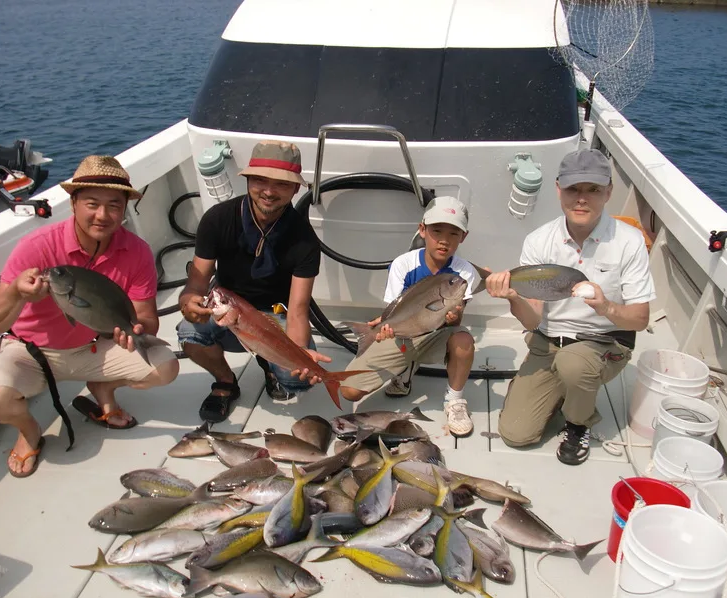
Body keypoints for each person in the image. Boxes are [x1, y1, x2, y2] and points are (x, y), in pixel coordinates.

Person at [0, 155, 179, 477]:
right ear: (73, 203)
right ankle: (29, 431)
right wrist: (16, 292)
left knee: (166, 367)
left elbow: (146, 319)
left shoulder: (136, 251)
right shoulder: (37, 247)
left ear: (125, 208)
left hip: (94, 347)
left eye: (114, 205)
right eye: (92, 204)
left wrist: (135, 330)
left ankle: (102, 389)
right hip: (31, 353)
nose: (102, 215)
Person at [486, 148, 655, 465]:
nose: (582, 199)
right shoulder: (539, 240)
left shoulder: (629, 241)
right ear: (558, 189)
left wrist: (606, 307)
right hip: (548, 341)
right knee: (516, 435)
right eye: (574, 189)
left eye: (592, 190)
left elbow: (640, 319)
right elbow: (534, 318)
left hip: (603, 342)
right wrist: (512, 297)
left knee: (573, 364)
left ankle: (579, 423)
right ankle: (550, 389)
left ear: (608, 192)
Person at [177, 140, 331, 423]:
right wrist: (188, 303)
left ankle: (272, 367)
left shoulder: (304, 239)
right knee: (189, 330)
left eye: (282, 184)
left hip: (277, 311)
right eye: (260, 180)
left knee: (298, 380)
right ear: (247, 180)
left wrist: (301, 356)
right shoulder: (217, 220)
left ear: (296, 188)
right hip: (228, 307)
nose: (269, 192)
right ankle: (225, 381)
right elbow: (195, 286)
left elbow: (297, 309)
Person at [339, 196, 478, 437]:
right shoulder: (403, 264)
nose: (444, 240)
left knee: (464, 340)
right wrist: (382, 328)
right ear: (422, 229)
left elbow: (455, 321)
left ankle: (454, 401)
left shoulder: (464, 272)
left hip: (438, 333)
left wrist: (454, 316)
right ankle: (404, 370)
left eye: (454, 233)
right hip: (403, 334)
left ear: (463, 237)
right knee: (348, 390)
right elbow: (393, 312)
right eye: (437, 230)